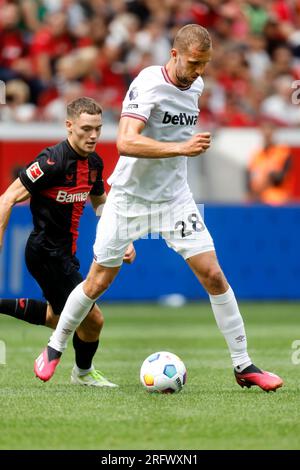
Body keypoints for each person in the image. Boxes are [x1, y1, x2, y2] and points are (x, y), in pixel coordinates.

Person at [35, 25, 283, 392]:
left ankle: (243, 365)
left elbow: (172, 133)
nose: (199, 71)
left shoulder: (196, 87)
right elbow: (125, 141)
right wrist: (181, 148)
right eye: (194, 62)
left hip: (174, 199)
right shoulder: (148, 83)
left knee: (214, 275)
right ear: (174, 55)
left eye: (205, 64)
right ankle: (55, 346)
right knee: (98, 281)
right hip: (129, 199)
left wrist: (179, 150)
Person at [0, 96, 135, 387]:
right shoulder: (51, 162)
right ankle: (83, 374)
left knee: (57, 316)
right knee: (93, 320)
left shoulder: (95, 163)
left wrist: (121, 237)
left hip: (66, 252)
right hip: (44, 252)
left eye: (98, 128)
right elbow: (7, 198)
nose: (94, 135)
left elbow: (101, 203)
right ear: (69, 126)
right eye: (86, 128)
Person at [247, 121, 292, 205]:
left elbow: (282, 177)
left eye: (269, 132)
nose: (267, 135)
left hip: (278, 199)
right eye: (264, 132)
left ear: (274, 133)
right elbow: (251, 179)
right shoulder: (256, 155)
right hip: (258, 199)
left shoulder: (283, 152)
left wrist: (267, 178)